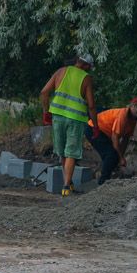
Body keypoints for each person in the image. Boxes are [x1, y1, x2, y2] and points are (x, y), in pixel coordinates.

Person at [40, 54, 98, 196]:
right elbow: (91, 105)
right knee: (71, 151)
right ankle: (66, 186)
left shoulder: (61, 71)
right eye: (89, 67)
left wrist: (46, 113)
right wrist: (95, 125)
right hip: (76, 119)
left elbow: (44, 92)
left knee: (62, 151)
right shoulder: (86, 78)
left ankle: (68, 182)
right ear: (86, 65)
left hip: (58, 116)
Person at [86, 98, 137, 185]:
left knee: (113, 156)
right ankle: (103, 182)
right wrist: (121, 158)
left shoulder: (133, 119)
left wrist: (121, 157)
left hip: (104, 133)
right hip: (94, 129)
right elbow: (115, 138)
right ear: (132, 106)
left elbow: (125, 139)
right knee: (110, 155)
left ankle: (107, 178)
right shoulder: (123, 115)